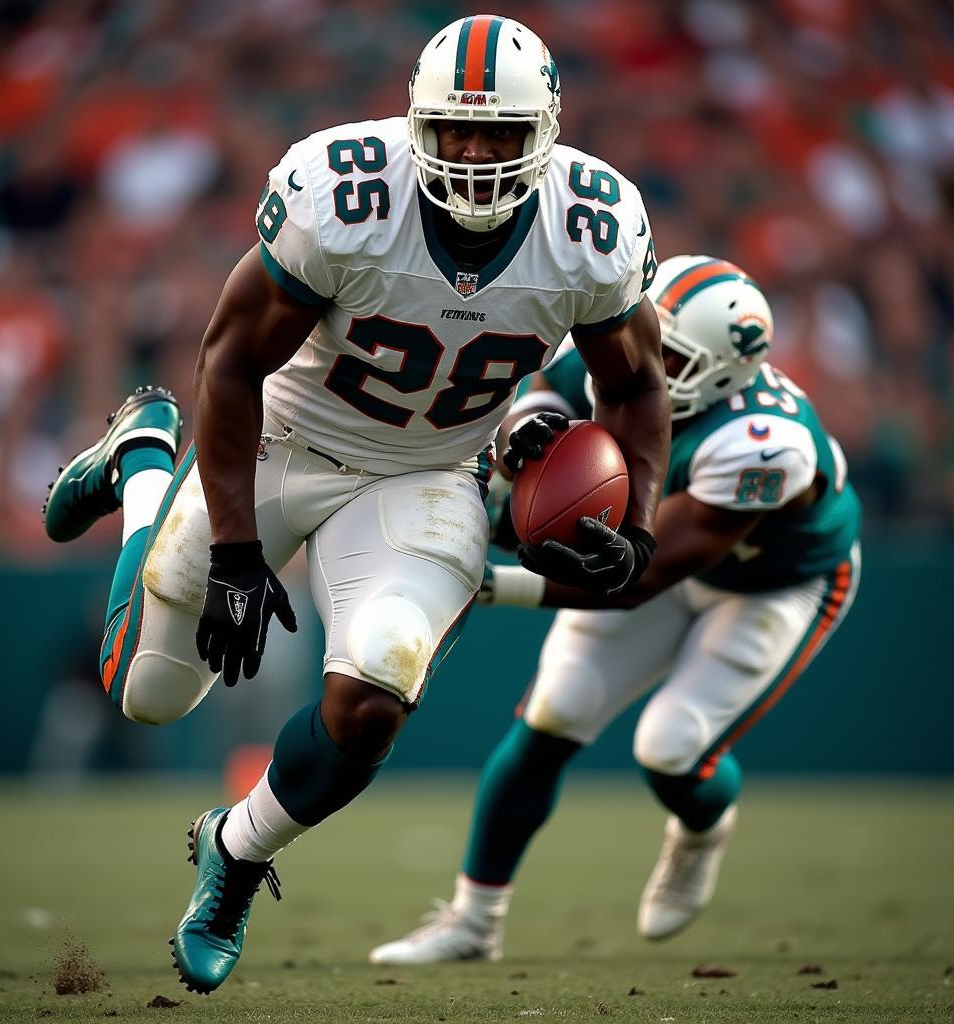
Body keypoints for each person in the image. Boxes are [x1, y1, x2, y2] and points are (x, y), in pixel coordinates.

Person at [42, 15, 669, 994]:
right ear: (416, 119)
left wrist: (637, 527)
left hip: (424, 474)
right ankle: (145, 461)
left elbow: (632, 388)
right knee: (148, 696)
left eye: (497, 133)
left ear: (544, 131)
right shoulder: (344, 190)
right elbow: (232, 359)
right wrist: (243, 553)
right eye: (455, 129)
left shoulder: (591, 228)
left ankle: (236, 855)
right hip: (277, 440)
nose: (472, 153)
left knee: (375, 694)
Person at [369, 254, 862, 964]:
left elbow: (636, 577)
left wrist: (496, 583)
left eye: (671, 353)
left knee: (670, 748)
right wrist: (527, 433)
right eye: (649, 331)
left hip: (773, 584)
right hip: (661, 565)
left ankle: (703, 825)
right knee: (554, 712)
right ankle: (474, 922)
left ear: (722, 372)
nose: (646, 355)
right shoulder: (621, 345)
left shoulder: (764, 448)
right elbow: (543, 390)